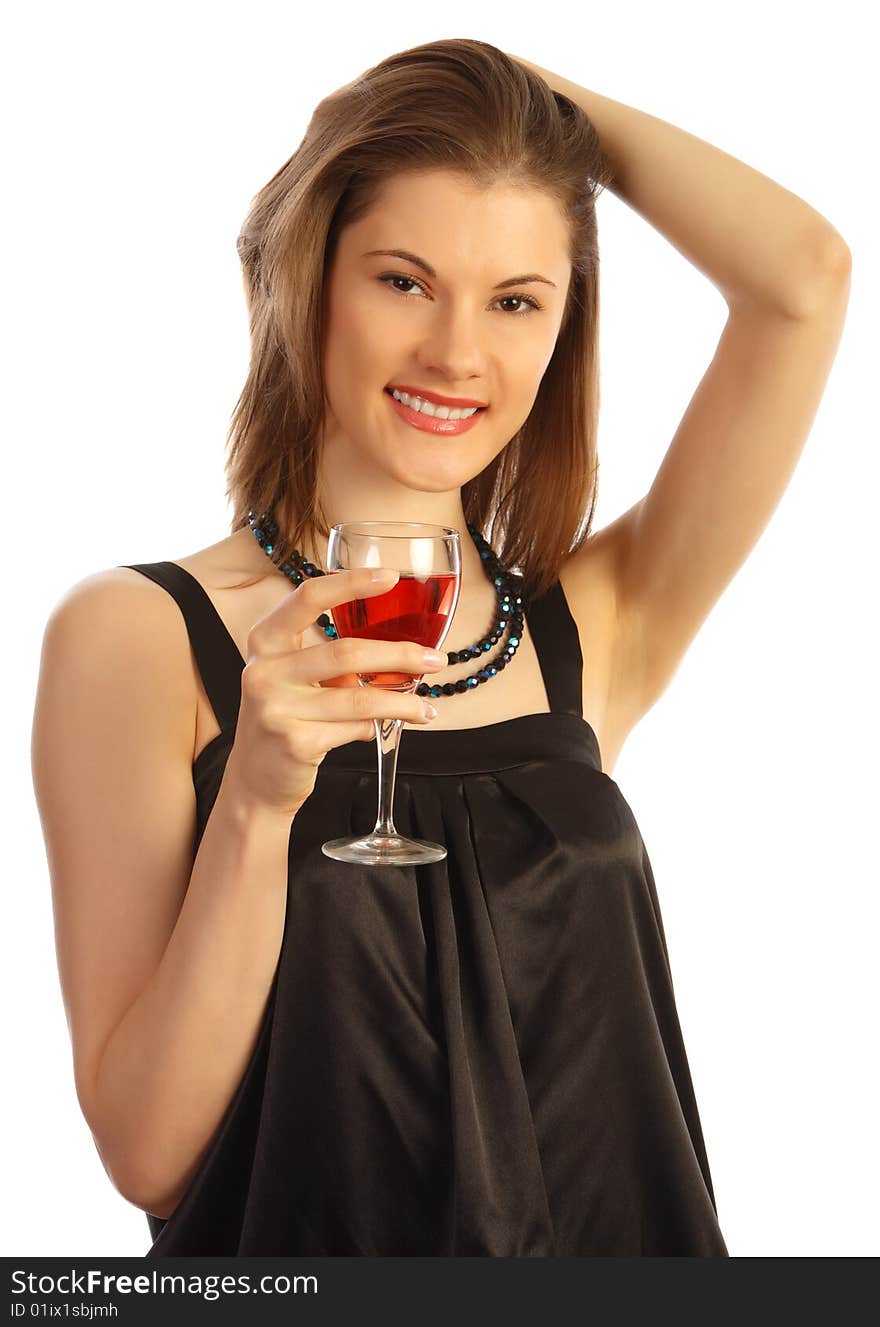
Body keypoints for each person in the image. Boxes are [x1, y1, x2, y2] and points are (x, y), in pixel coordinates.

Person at [30, 38, 850, 1257]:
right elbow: (150, 1157)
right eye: (405, 281)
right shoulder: (137, 638)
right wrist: (258, 801)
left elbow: (805, 278)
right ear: (307, 280)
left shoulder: (591, 626)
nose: (458, 353)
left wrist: (530, 98)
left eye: (517, 299)